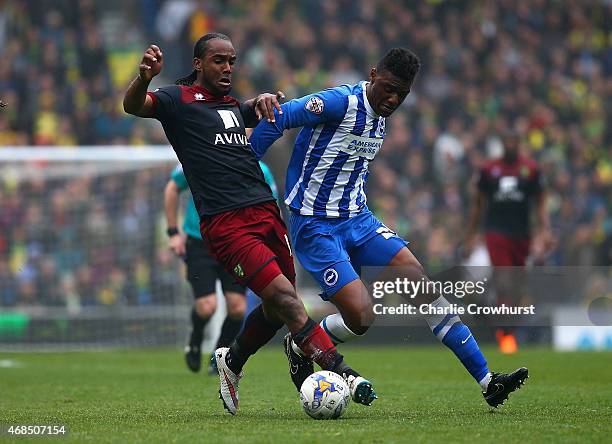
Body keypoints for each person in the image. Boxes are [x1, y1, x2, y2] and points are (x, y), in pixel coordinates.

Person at [250, 47, 528, 408]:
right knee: (362, 316)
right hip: (315, 225)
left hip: (359, 220)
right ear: (372, 74)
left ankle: (488, 381)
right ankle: (301, 343)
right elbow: (279, 118)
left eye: (403, 94)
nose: (394, 99)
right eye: (389, 88)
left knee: (423, 286)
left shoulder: (380, 115)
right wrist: (246, 172)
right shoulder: (338, 102)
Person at [123, 32, 375, 415]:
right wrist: (144, 78)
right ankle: (344, 373)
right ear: (198, 63)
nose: (227, 68)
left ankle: (233, 361)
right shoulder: (177, 99)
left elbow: (245, 111)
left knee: (278, 307)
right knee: (288, 301)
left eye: (231, 61)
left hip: (266, 212)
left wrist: (259, 102)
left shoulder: (227, 104)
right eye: (218, 60)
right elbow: (134, 105)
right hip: (227, 224)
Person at [165, 161, 277, 375]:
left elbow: (272, 205)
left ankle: (219, 356)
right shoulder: (199, 155)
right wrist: (173, 232)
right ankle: (195, 338)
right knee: (207, 307)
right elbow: (172, 187)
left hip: (236, 244)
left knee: (237, 308)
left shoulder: (260, 168)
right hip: (200, 243)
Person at [465, 130, 554, 353]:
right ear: (503, 144)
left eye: (514, 141)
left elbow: (540, 203)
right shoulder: (488, 170)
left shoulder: (531, 170)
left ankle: (503, 324)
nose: (511, 145)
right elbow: (478, 205)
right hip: (496, 234)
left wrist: (545, 231)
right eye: (507, 141)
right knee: (505, 280)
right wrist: (471, 235)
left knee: (516, 286)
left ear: (519, 144)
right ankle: (505, 335)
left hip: (522, 235)